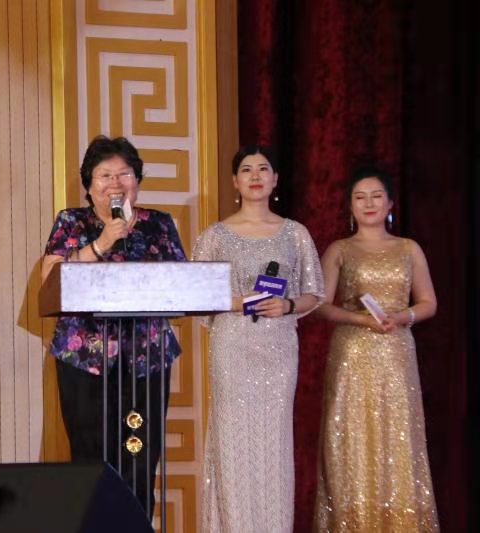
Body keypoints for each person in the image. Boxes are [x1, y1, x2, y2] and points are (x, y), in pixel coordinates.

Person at [41, 135, 186, 518]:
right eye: (105, 175)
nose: (115, 183)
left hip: (146, 358)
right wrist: (102, 243)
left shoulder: (158, 224)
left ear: (137, 181)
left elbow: (183, 283)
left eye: (124, 174)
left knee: (140, 458)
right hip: (84, 359)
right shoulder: (72, 221)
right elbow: (51, 282)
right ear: (89, 186)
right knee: (90, 459)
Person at [192, 145, 324, 532]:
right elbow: (195, 296)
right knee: (232, 443)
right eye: (246, 169)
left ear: (275, 179)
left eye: (263, 168)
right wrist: (239, 301)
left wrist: (287, 304)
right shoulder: (214, 236)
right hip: (232, 347)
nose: (255, 175)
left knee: (273, 445)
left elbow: (314, 293)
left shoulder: (295, 234)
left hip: (278, 350)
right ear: (235, 181)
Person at [313, 168, 439, 531]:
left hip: (396, 351)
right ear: (350, 206)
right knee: (351, 441)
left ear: (390, 204)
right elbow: (321, 306)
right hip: (352, 353)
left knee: (398, 440)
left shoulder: (408, 248)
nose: (368, 203)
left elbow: (429, 302)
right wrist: (360, 319)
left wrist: (402, 316)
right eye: (360, 197)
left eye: (376, 196)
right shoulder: (339, 250)